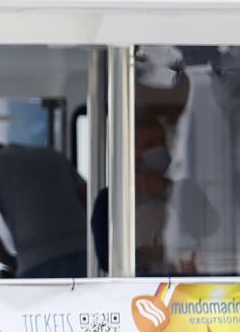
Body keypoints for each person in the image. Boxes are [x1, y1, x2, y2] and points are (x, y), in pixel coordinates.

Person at [91, 113, 218, 275]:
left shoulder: (185, 190)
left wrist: (166, 191)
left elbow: (211, 227)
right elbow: (105, 259)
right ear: (131, 151)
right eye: (149, 144)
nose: (159, 149)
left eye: (162, 142)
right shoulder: (109, 199)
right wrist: (149, 254)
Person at [0, 141, 88, 279]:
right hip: (85, 253)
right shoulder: (53, 155)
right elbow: (87, 198)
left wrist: (11, 262)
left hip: (37, 262)